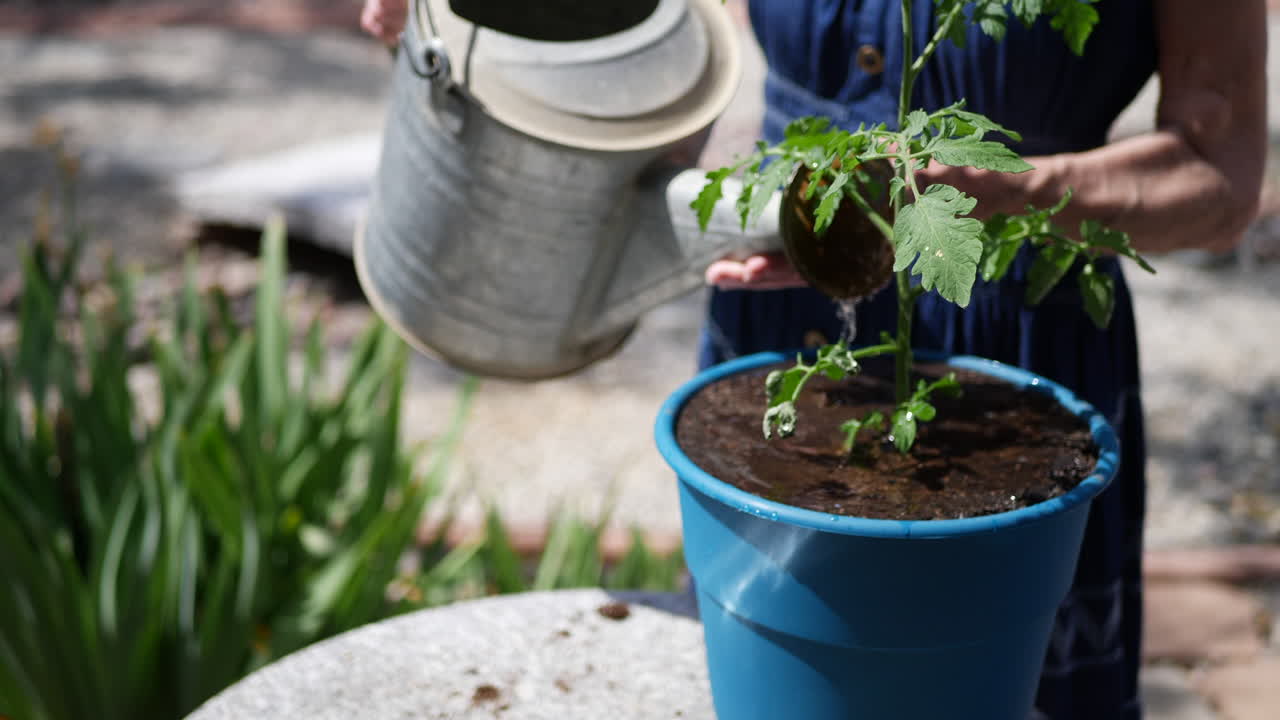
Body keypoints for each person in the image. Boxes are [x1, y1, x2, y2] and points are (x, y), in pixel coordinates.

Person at [360, 1, 1267, 717]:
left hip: (1015, 333)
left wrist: (993, 195)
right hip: (784, 289)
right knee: (777, 661)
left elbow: (1220, 179)